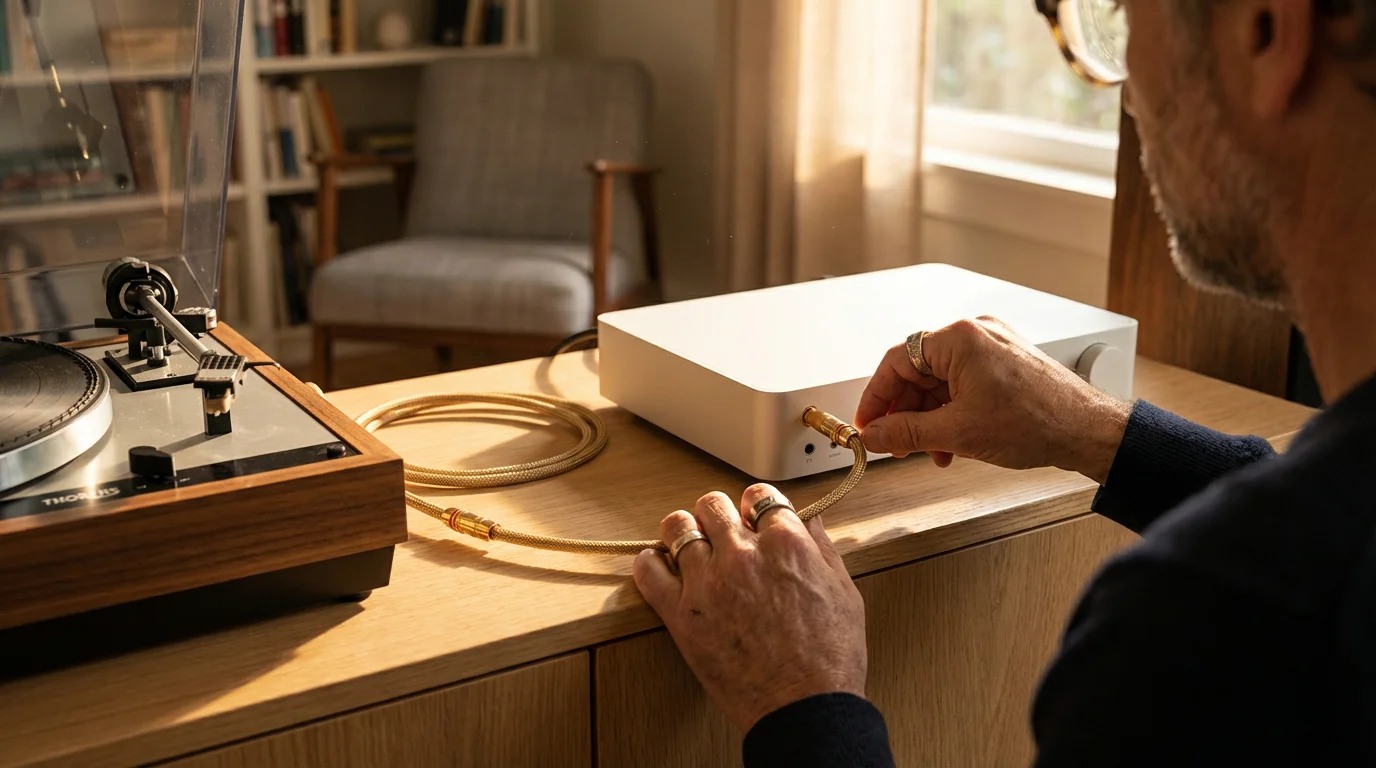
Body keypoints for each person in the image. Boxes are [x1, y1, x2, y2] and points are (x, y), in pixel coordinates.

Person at [631, 0, 1376, 764]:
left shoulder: (1187, 628)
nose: (1125, 93)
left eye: (1120, 13)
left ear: (1265, 30)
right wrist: (1097, 427)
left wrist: (806, 706)